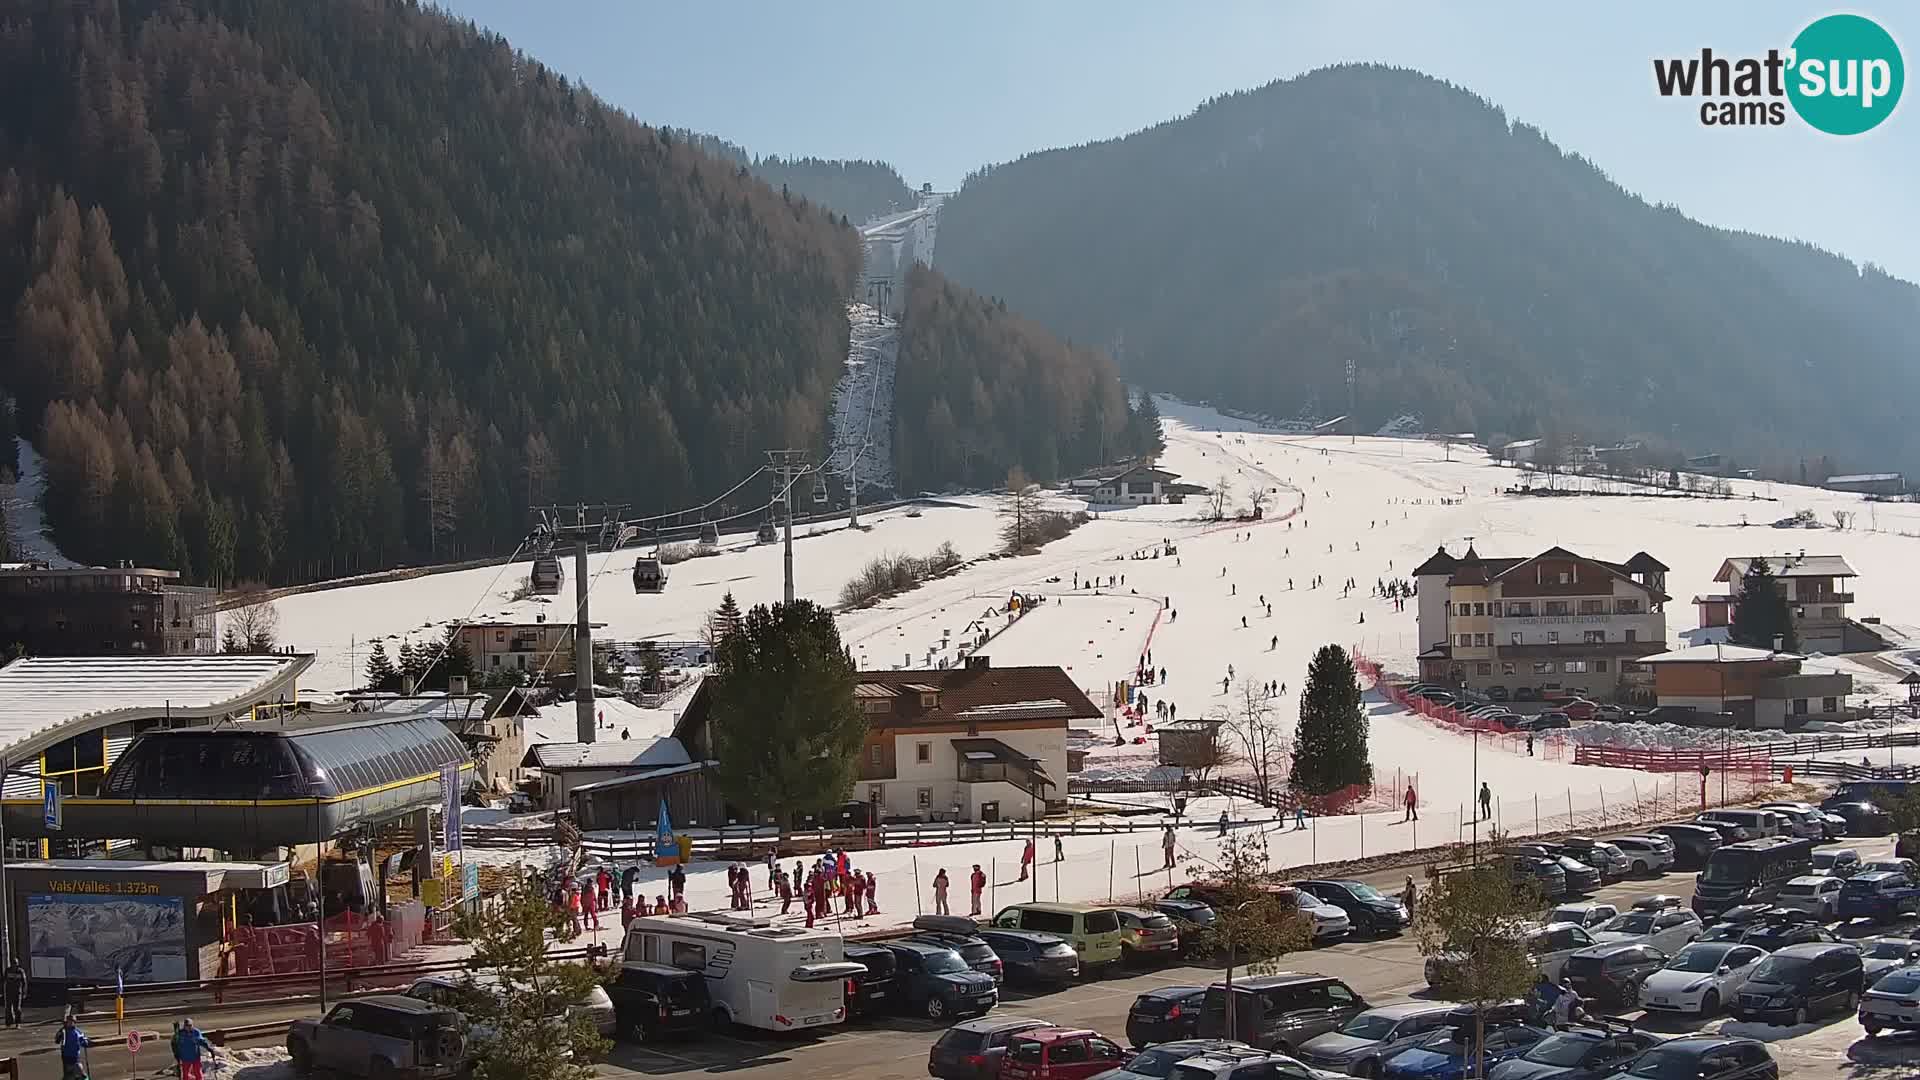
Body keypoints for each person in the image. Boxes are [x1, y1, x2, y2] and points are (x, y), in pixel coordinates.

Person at [56, 1016, 88, 1080]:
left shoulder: (77, 1031)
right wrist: (59, 1036)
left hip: (75, 1055)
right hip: (66, 1055)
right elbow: (57, 1040)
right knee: (69, 1073)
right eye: (69, 1022)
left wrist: (85, 1042)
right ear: (66, 1022)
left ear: (74, 1023)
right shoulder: (63, 1031)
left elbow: (82, 1039)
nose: (70, 1023)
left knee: (79, 1071)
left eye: (72, 1022)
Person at [2, 957, 25, 1027]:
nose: (14, 966)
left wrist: (24, 992)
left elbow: (24, 982)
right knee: (8, 1008)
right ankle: (8, 1022)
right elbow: (4, 981)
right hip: (8, 992)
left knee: (17, 1008)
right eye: (13, 964)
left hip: (17, 992)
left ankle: (18, 1023)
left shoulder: (20, 971)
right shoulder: (7, 970)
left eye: (15, 964)